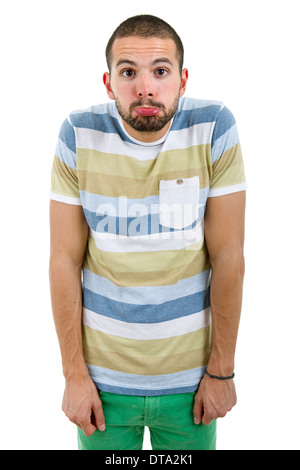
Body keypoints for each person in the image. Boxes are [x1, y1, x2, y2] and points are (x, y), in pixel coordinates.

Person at [49, 14, 246, 451]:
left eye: (160, 71)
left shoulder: (213, 127)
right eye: (128, 72)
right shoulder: (78, 135)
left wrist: (221, 371)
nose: (145, 88)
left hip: (192, 387)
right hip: (100, 390)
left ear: (182, 79)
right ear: (108, 82)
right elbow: (64, 259)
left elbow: (229, 256)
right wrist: (73, 377)